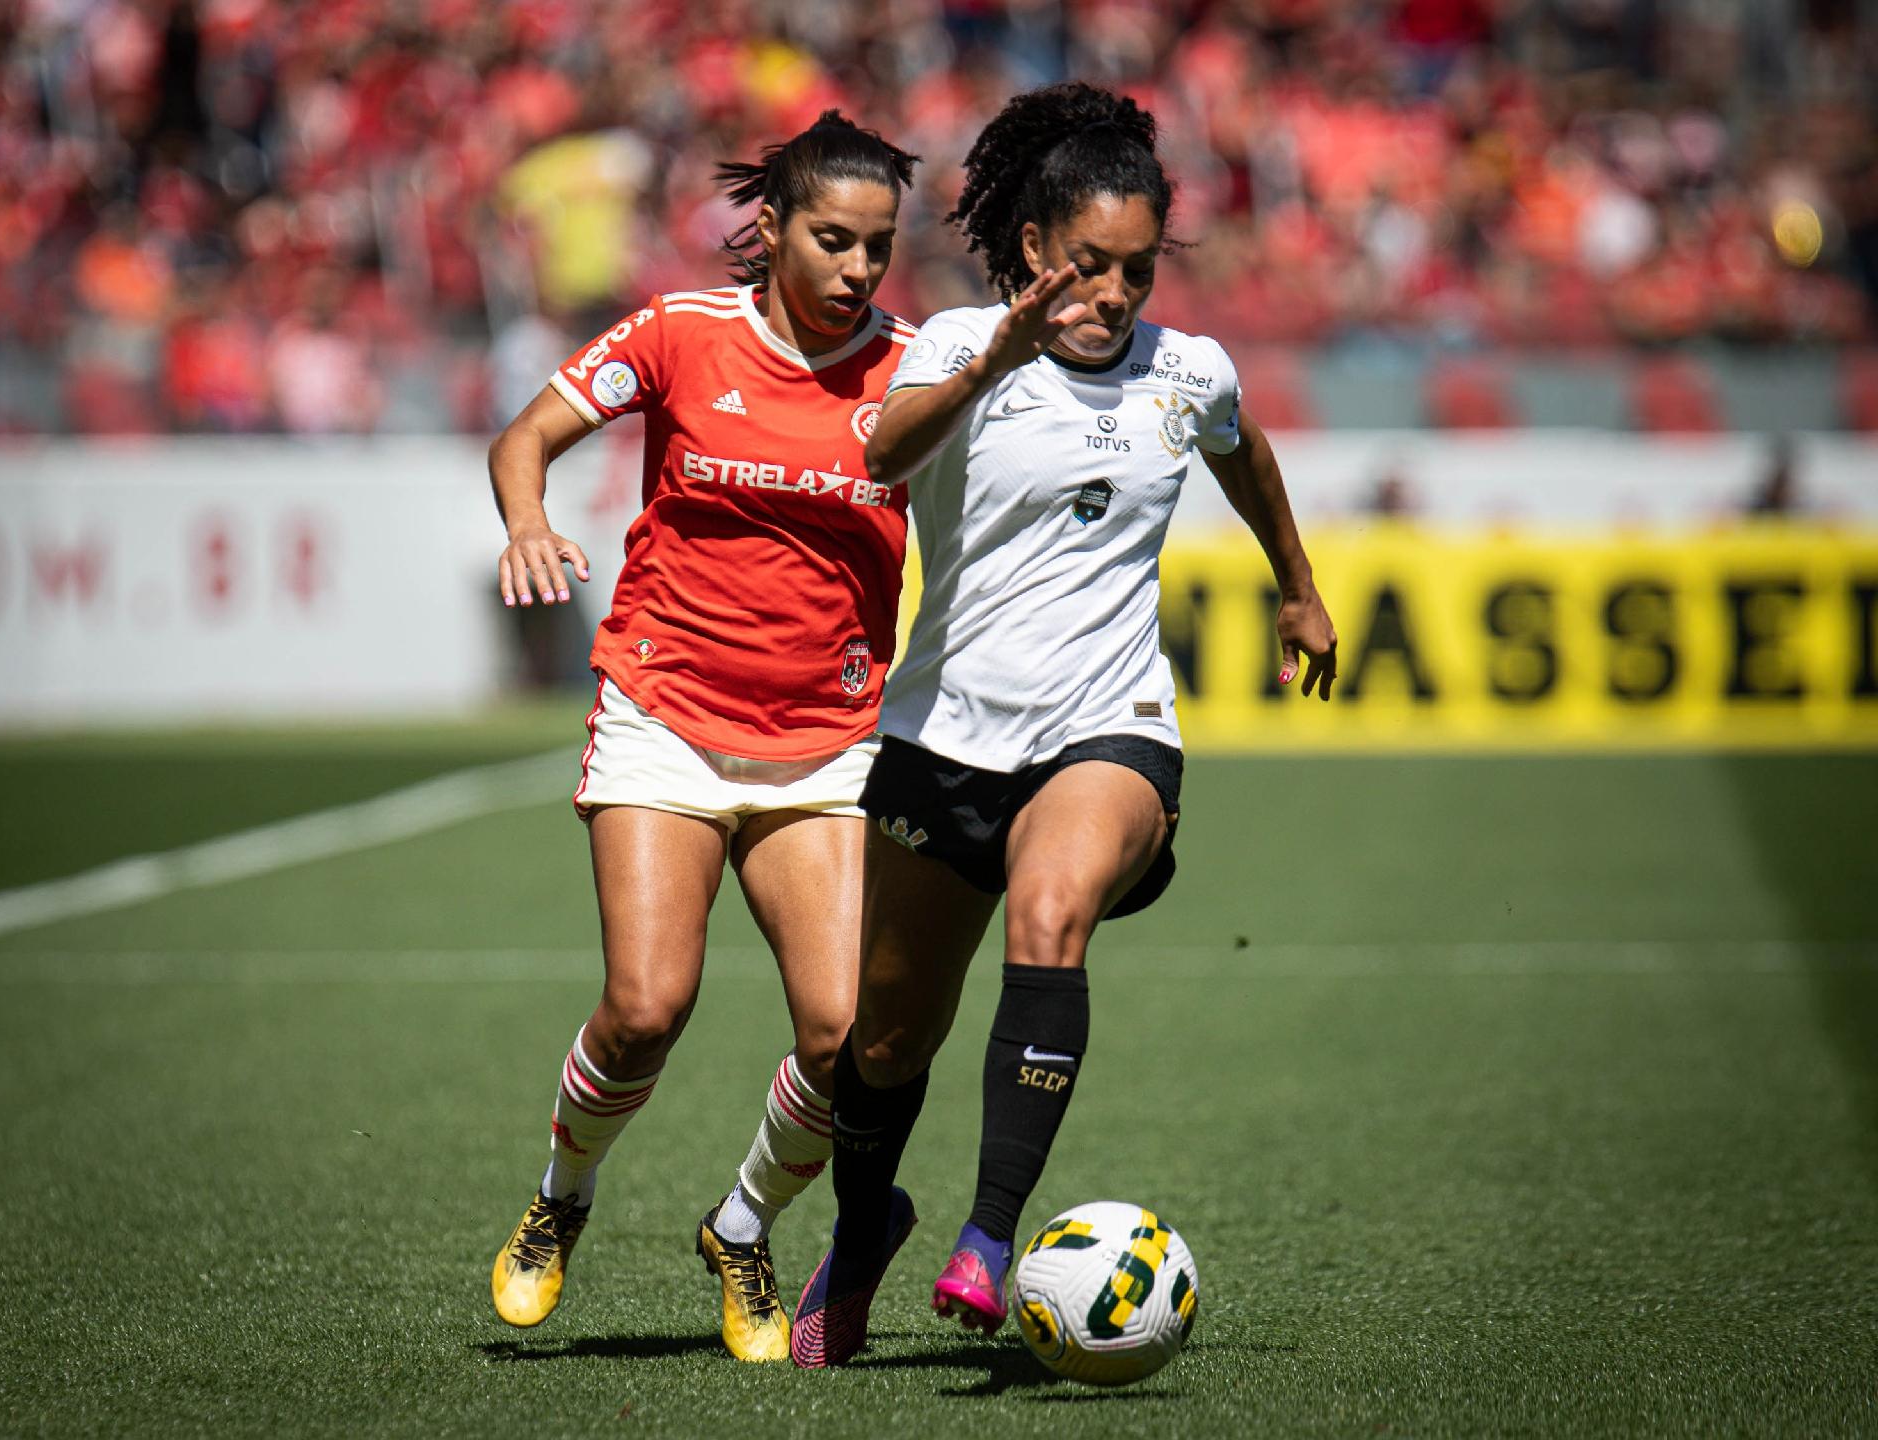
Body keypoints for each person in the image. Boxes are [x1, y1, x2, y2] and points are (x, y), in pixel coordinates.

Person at [788, 83, 1339, 1368]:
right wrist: (1003, 353)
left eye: (1138, 271)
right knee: (882, 1040)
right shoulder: (951, 348)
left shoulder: (1188, 370)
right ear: (1034, 249)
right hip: (945, 737)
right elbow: (881, 456)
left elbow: (1243, 453)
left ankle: (988, 1237)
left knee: (1051, 917)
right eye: (1089, 265)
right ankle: (863, 1235)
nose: (1115, 293)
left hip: (1113, 723)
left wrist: (1299, 587)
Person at [484, 111, 919, 1364]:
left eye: (877, 249)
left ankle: (741, 1224)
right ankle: (562, 1199)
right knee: (644, 1007)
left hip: (828, 741)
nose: (854, 269)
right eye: (832, 239)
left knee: (847, 1040)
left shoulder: (912, 367)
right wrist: (526, 520)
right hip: (665, 714)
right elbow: (530, 437)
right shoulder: (680, 332)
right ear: (773, 228)